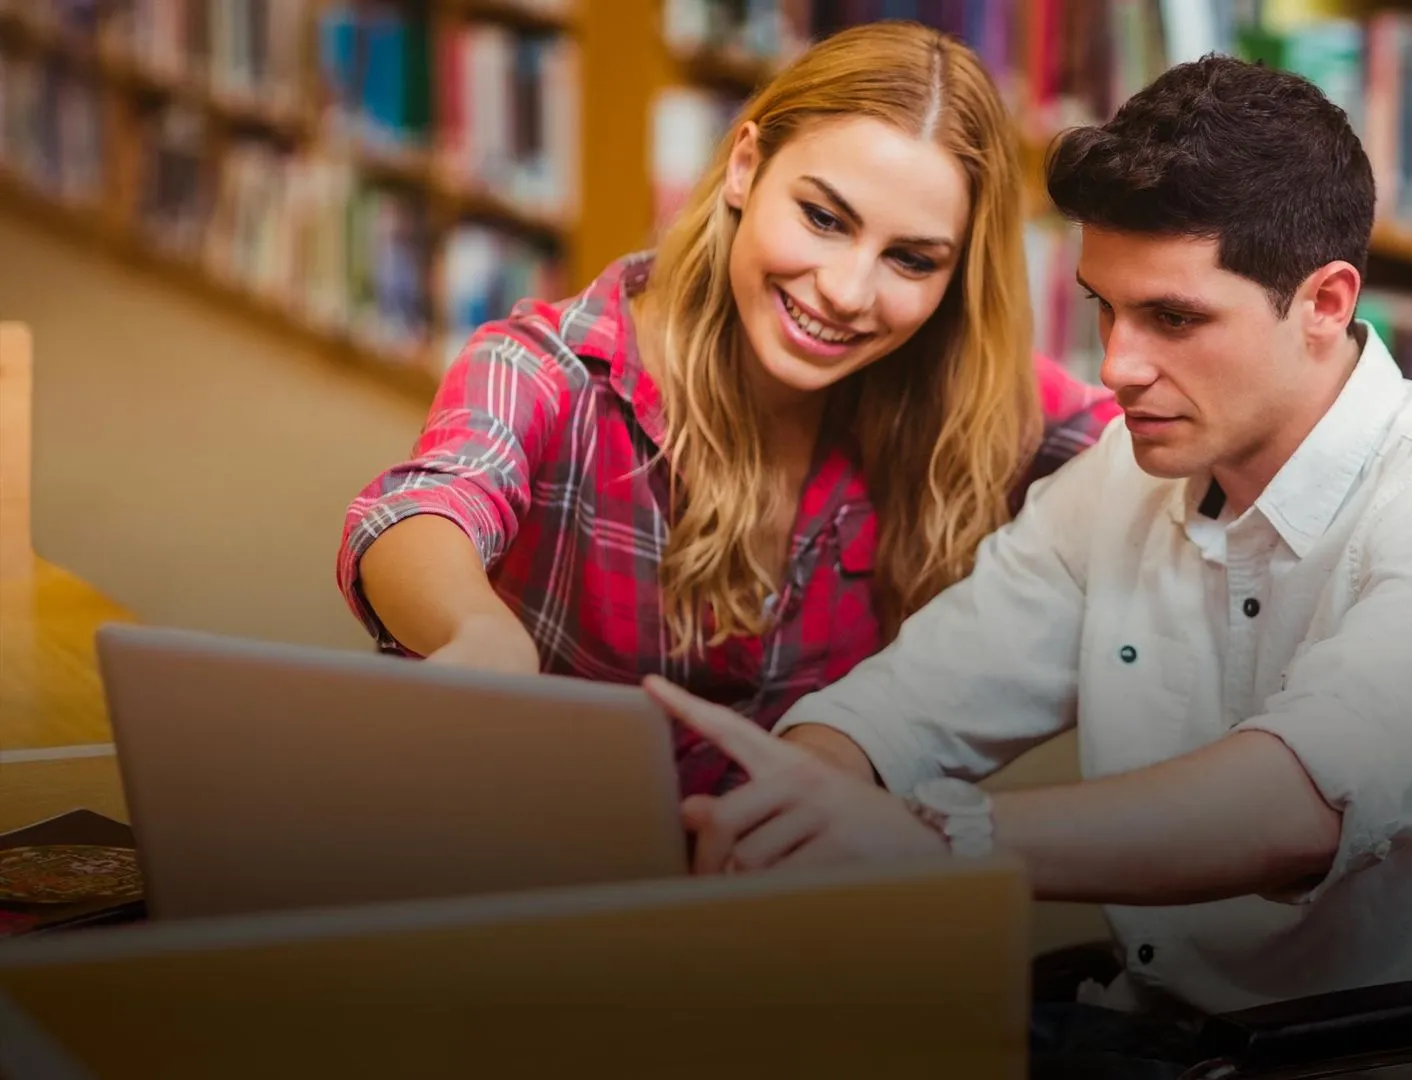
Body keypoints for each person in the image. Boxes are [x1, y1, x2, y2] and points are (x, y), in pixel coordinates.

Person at [641, 55, 1412, 1076]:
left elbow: (1292, 806)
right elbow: (906, 704)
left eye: (1174, 319)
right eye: (1106, 309)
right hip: (1147, 1042)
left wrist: (940, 841)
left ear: (1327, 302)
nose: (1115, 366)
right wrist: (798, 800)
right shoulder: (1126, 477)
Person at [334, 22, 1118, 798]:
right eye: (823, 217)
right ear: (745, 167)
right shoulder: (550, 369)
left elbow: (1150, 441)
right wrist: (477, 630)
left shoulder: (961, 389)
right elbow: (422, 506)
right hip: (551, 863)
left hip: (785, 892)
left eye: (911, 259)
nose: (846, 292)